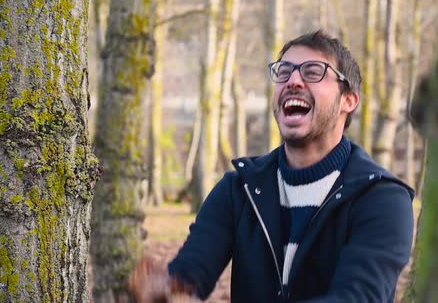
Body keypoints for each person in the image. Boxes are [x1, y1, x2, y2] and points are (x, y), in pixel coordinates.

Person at [130, 30, 415, 302]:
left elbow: (357, 298)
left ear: (349, 100)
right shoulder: (238, 190)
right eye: (284, 71)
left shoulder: (382, 198)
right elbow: (188, 276)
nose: (293, 80)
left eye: (313, 72)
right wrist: (164, 289)